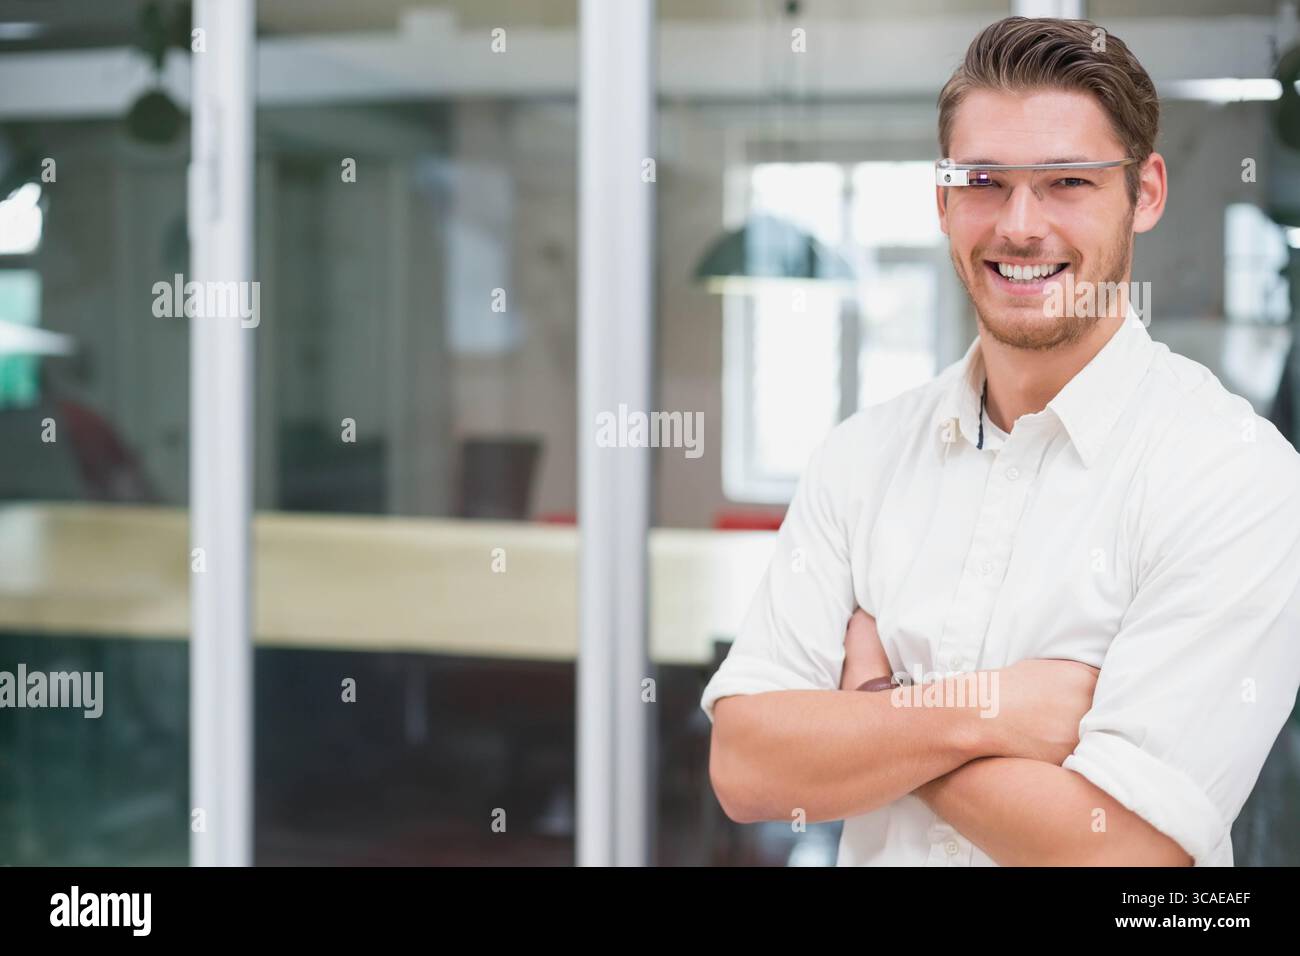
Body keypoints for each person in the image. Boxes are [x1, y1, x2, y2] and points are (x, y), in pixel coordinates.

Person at [702, 16, 1300, 867]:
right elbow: (747, 767)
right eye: (982, 180)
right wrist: (984, 713)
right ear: (942, 200)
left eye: (1067, 181)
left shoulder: (1237, 478)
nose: (1020, 225)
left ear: (1147, 192)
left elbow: (1122, 854)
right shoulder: (860, 458)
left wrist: (876, 704)